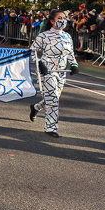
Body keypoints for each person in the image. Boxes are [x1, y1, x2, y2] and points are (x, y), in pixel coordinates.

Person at [29, 10, 79, 138]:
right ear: (52, 21)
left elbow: (70, 54)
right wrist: (39, 63)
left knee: (53, 98)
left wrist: (74, 65)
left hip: (62, 72)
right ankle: (51, 127)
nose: (63, 20)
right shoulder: (44, 36)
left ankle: (36, 107)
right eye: (60, 18)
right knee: (53, 100)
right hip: (47, 71)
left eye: (65, 18)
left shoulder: (67, 36)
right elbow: (32, 52)